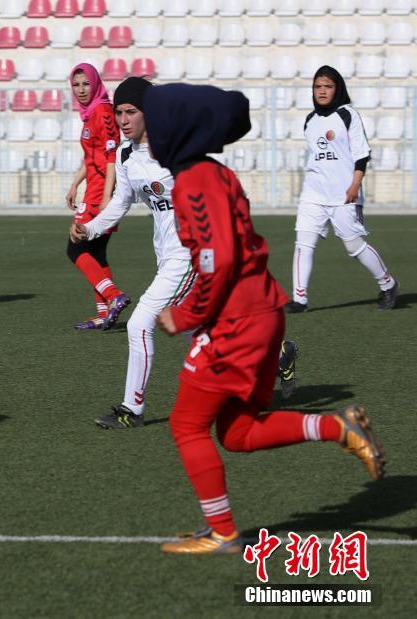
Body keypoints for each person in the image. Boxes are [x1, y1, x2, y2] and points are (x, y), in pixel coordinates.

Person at [143, 83, 385, 554]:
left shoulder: (195, 179)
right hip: (260, 312)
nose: (150, 137)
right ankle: (339, 427)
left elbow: (220, 258)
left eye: (155, 126)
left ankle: (223, 533)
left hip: (238, 321)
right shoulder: (211, 172)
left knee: (186, 425)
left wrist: (188, 313)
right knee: (237, 432)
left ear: (177, 129)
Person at [71, 77, 194, 428]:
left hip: (192, 253)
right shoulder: (126, 154)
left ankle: (131, 410)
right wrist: (90, 228)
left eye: (131, 112)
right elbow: (120, 203)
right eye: (119, 112)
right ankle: (272, 358)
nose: (123, 120)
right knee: (194, 329)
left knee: (140, 323)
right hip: (168, 254)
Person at [287, 65, 398, 312]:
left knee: (353, 246)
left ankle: (388, 284)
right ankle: (299, 299)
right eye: (318, 86)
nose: (322, 91)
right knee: (303, 243)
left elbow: (361, 155)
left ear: (337, 88)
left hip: (344, 193)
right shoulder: (310, 120)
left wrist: (354, 186)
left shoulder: (348, 114)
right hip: (313, 193)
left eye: (328, 86)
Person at [66, 63, 130, 330]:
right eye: (76, 85)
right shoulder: (90, 113)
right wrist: (74, 185)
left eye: (85, 84)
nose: (81, 90)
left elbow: (110, 156)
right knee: (96, 252)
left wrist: (106, 197)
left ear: (95, 84)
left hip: (100, 191)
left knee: (75, 247)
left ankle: (114, 296)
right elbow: (90, 157)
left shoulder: (102, 111)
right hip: (93, 188)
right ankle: (104, 313)